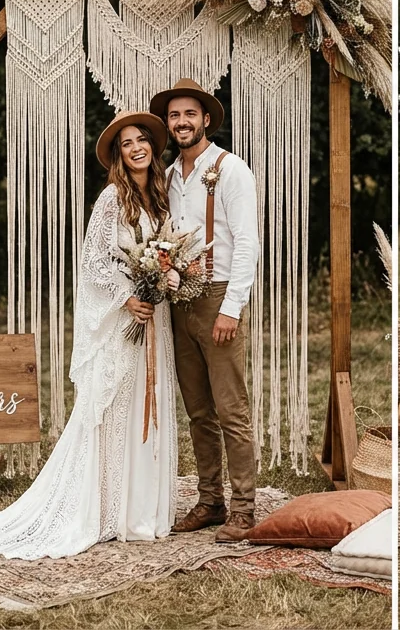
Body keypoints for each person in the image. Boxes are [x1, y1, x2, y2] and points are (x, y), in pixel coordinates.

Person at [0, 111, 178, 560]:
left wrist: (165, 279)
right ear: (118, 155)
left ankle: (139, 510)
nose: (137, 147)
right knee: (112, 411)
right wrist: (128, 298)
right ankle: (103, 509)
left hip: (154, 321)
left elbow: (167, 253)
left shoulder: (160, 199)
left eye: (142, 139)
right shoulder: (110, 200)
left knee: (148, 403)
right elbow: (94, 265)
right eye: (127, 143)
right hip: (123, 321)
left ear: (153, 147)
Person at [150, 77, 260, 542]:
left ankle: (244, 507)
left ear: (206, 120)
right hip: (181, 302)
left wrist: (232, 308)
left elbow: (248, 243)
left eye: (189, 114)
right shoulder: (169, 175)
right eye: (174, 116)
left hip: (218, 298)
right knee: (198, 411)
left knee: (231, 408)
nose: (181, 122)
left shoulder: (231, 170)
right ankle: (211, 500)